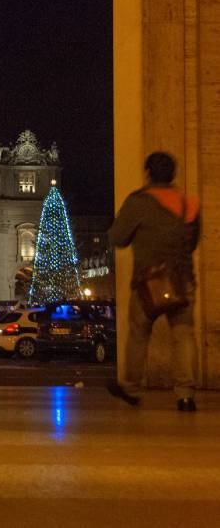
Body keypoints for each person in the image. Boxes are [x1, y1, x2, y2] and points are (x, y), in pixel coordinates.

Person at [107, 151, 200, 412]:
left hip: (149, 282)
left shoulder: (139, 202)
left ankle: (131, 389)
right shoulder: (188, 203)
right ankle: (185, 395)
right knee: (183, 336)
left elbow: (118, 237)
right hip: (183, 280)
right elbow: (193, 240)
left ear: (148, 173)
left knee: (138, 334)